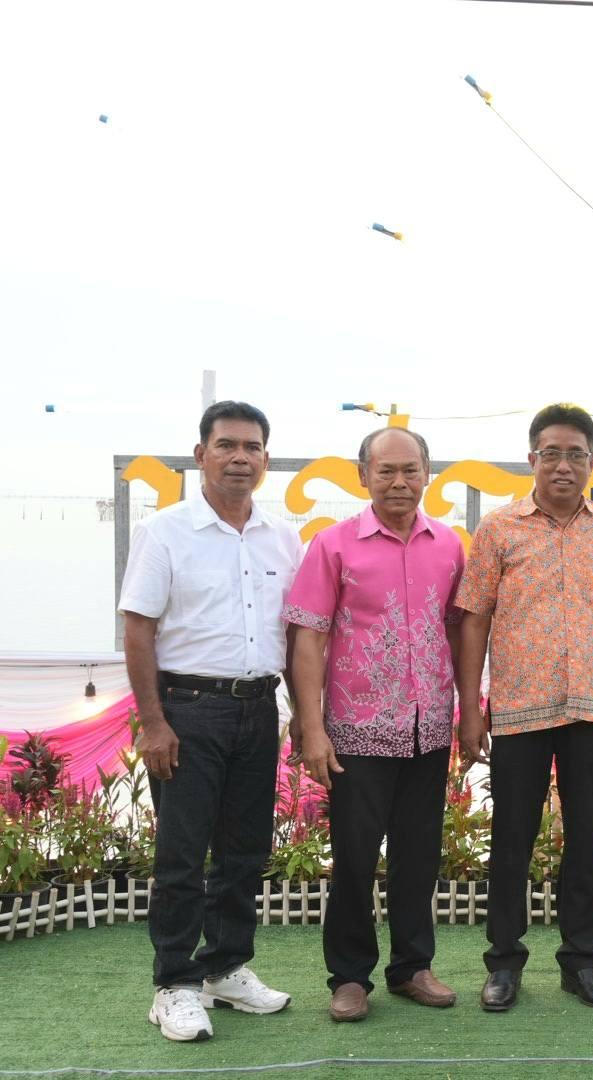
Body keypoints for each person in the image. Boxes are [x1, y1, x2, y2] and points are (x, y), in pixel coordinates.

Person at [120, 401, 303, 1042]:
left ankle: (225, 968)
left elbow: (295, 635)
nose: (239, 458)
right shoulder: (165, 531)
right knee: (181, 855)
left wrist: (303, 715)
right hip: (188, 710)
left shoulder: (283, 537)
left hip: (259, 708)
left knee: (244, 851)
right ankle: (173, 983)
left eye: (252, 447)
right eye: (226, 445)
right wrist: (154, 722)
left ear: (266, 459)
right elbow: (138, 630)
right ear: (201, 455)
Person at [454, 404, 593, 1012]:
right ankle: (503, 963)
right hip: (519, 709)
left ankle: (582, 963)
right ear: (532, 458)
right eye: (552, 454)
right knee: (512, 839)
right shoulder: (499, 530)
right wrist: (472, 708)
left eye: (576, 455)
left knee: (587, 840)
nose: (564, 466)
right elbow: (474, 619)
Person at [284, 427, 465, 1022]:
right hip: (356, 733)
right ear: (363, 476)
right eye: (386, 471)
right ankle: (349, 977)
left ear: (427, 474)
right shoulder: (333, 545)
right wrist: (313, 727)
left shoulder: (450, 546)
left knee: (419, 856)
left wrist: (466, 710)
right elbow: (307, 639)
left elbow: (458, 631)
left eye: (410, 470)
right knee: (355, 860)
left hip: (427, 729)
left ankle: (412, 967)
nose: (399, 482)